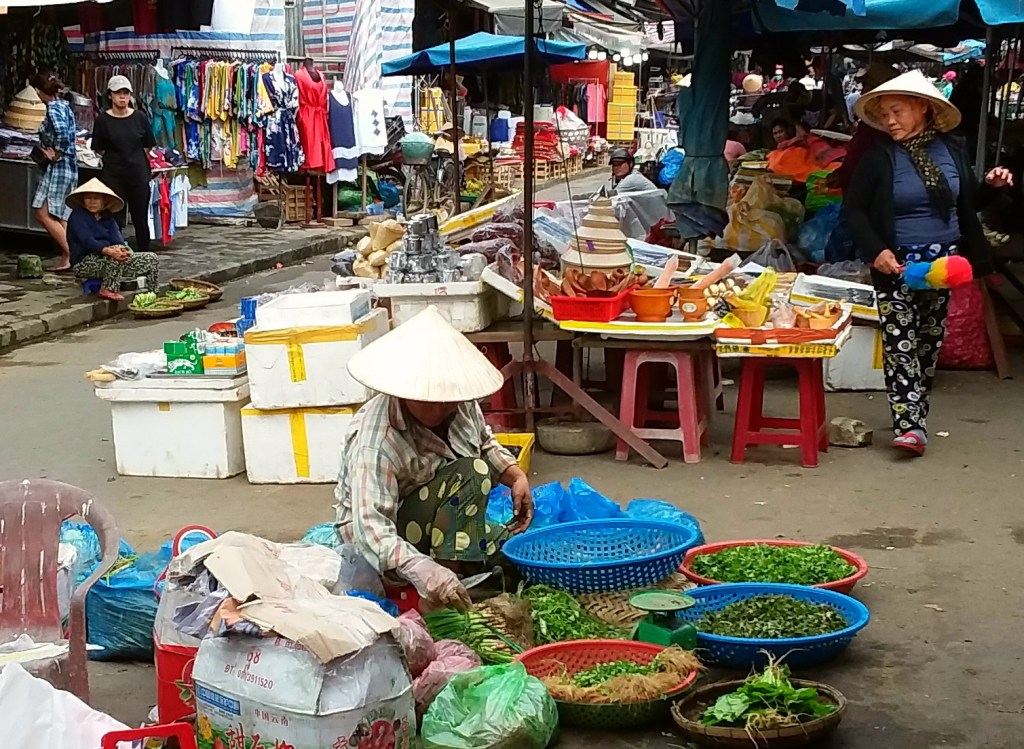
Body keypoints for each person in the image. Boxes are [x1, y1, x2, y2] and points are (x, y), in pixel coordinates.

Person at [845, 70, 1008, 456]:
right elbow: (853, 210)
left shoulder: (952, 149)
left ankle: (915, 412)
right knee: (900, 345)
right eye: (885, 114)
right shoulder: (878, 157)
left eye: (897, 111)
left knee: (927, 345)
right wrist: (876, 250)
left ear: (922, 108)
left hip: (942, 265)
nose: (890, 121)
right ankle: (910, 427)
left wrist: (991, 186)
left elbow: (967, 203)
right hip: (896, 265)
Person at [334, 306, 534, 611]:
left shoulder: (459, 403)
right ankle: (442, 591)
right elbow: (372, 529)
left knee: (513, 553)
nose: (444, 406)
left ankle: (457, 573)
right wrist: (426, 571)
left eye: (448, 399)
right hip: (385, 544)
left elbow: (484, 443)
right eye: (433, 400)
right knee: (471, 473)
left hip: (442, 523)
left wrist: (515, 476)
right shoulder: (376, 440)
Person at [91, 75, 157, 253]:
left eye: (126, 93)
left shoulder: (139, 117)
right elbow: (98, 147)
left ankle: (144, 255)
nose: (122, 96)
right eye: (118, 92)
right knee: (114, 218)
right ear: (110, 95)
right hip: (113, 175)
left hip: (137, 174)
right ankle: (116, 254)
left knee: (140, 218)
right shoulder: (103, 120)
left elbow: (148, 144)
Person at [66, 178, 159, 302]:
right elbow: (87, 241)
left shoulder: (107, 217)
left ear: (104, 201)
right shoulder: (78, 216)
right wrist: (110, 251)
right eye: (88, 198)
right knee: (114, 257)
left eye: (96, 198)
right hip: (84, 262)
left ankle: (153, 293)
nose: (92, 202)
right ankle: (108, 288)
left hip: (111, 260)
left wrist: (122, 250)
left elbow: (117, 239)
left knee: (151, 258)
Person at [30, 72, 78, 272]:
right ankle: (68, 257)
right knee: (60, 214)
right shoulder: (64, 106)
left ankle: (74, 253)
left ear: (39, 91)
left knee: (42, 212)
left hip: (59, 166)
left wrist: (56, 154)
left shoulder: (53, 108)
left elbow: (62, 134)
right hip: (68, 165)